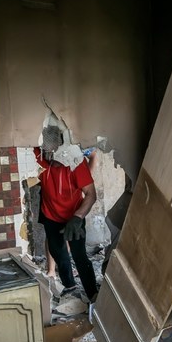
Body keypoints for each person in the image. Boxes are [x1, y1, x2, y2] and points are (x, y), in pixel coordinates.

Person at [35, 125, 99, 301]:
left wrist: (78, 217)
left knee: (80, 256)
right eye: (47, 153)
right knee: (59, 254)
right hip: (50, 216)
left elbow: (91, 195)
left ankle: (93, 294)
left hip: (74, 217)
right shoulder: (41, 158)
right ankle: (69, 288)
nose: (50, 159)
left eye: (53, 153)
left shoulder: (77, 165)